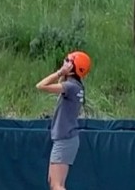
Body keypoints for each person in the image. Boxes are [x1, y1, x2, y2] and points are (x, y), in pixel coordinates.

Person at [36, 50, 91, 190]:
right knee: (53, 182)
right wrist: (65, 72)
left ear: (74, 67)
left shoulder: (71, 87)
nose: (64, 62)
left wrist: (60, 72)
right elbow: (60, 83)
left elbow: (41, 86)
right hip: (66, 138)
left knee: (57, 185)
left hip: (65, 139)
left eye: (68, 61)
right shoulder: (74, 86)